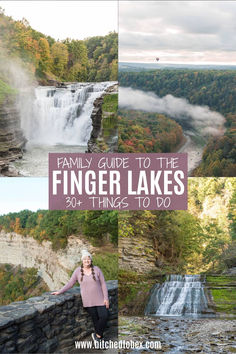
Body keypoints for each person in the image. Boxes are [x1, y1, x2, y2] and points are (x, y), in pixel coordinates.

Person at [51, 250, 109, 344]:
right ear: (82, 260)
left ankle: (97, 336)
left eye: (88, 259)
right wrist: (60, 291)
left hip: (100, 299)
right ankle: (100, 339)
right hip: (88, 301)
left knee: (104, 316)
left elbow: (103, 284)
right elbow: (70, 283)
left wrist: (106, 298)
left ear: (91, 260)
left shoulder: (97, 269)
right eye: (85, 259)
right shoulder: (78, 271)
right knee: (95, 319)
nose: (87, 260)